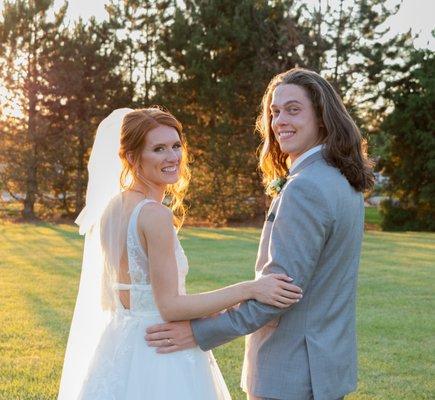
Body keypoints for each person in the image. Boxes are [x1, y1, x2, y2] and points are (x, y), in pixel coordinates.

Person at [145, 68, 375, 400]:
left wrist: (197, 332)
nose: (280, 120)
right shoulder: (342, 180)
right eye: (275, 111)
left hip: (290, 373)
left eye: (293, 110)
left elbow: (278, 296)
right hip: (326, 368)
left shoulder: (305, 188)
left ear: (322, 118)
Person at [57, 107, 303, 400]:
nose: (173, 157)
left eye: (176, 146)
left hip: (118, 344)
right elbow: (171, 307)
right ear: (132, 157)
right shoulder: (153, 214)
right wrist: (250, 288)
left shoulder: (112, 208)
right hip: (160, 348)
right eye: (158, 149)